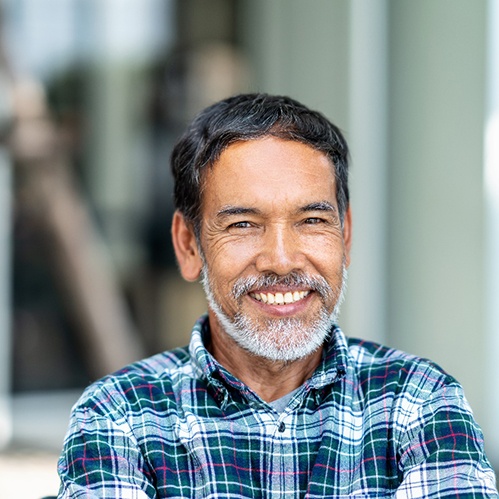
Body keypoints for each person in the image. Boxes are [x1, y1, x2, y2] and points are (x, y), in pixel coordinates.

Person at [57, 93, 498, 498]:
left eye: (311, 221)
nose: (283, 261)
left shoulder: (418, 401)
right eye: (244, 224)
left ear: (345, 237)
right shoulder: (120, 417)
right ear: (189, 246)